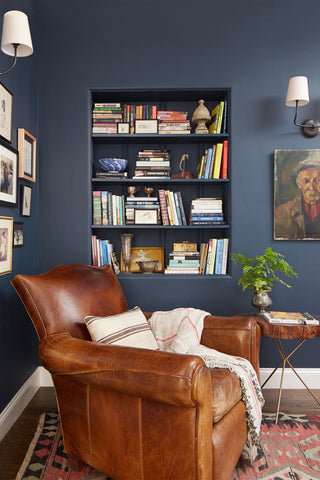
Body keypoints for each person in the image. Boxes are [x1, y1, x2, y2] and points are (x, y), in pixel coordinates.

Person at [275, 158, 320, 239]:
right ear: (299, 183)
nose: (312, 187)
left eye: (317, 181)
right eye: (306, 181)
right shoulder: (281, 212)